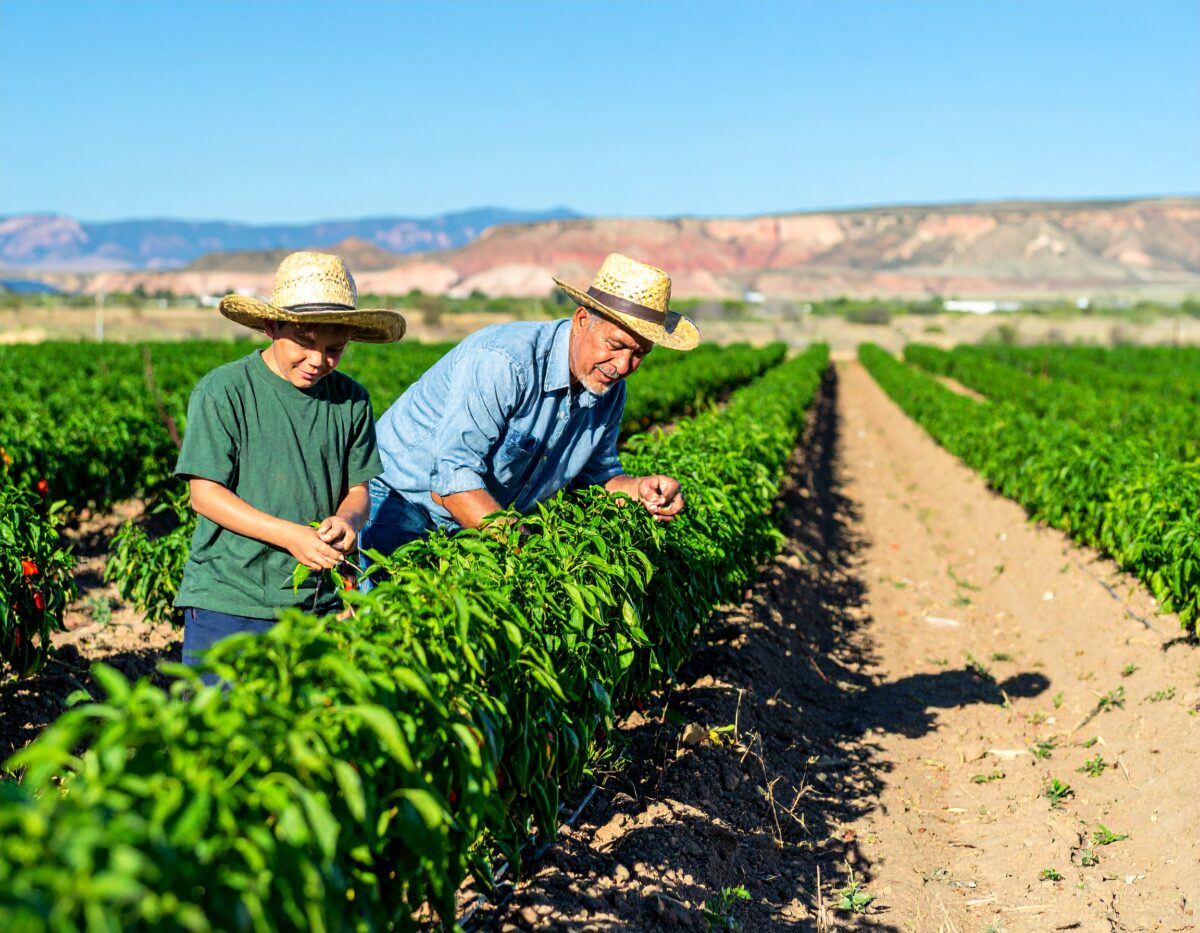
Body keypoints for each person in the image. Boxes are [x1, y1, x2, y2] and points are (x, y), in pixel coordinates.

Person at [361, 252, 700, 566]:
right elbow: (452, 480)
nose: (624, 365)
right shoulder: (505, 362)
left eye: (640, 353)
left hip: (475, 517)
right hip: (401, 498)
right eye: (615, 346)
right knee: (390, 620)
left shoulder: (609, 389)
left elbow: (597, 479)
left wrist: (640, 490)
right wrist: (528, 552)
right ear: (582, 320)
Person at [174, 251, 405, 678]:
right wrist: (290, 536)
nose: (318, 360)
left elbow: (358, 490)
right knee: (223, 736)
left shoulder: (351, 400)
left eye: (334, 349)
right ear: (270, 327)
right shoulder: (226, 390)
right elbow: (204, 495)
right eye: (304, 342)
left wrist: (348, 522)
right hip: (230, 599)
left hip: (316, 604)